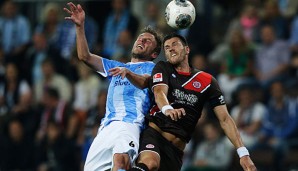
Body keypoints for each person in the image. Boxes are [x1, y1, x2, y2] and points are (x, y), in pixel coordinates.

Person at [112, 33, 257, 171]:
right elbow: (159, 92)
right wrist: (167, 109)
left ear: (187, 49)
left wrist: (243, 153)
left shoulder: (207, 81)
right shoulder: (163, 68)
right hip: (155, 134)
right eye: (167, 48)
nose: (171, 50)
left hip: (176, 150)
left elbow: (225, 119)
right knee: (150, 164)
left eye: (174, 45)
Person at [64, 2, 162, 171]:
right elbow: (84, 56)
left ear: (154, 53)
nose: (142, 40)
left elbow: (146, 82)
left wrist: (129, 73)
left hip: (129, 123)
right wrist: (80, 27)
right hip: (106, 127)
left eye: (148, 41)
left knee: (120, 162)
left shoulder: (154, 69)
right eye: (140, 37)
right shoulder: (115, 65)